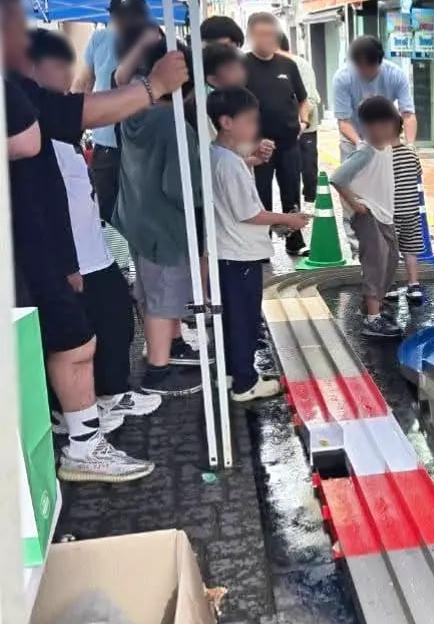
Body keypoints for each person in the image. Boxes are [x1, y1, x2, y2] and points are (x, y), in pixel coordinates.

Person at [3, 0, 186, 482]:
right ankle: (78, 443)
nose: (23, 39)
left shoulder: (21, 89)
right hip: (24, 248)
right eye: (14, 27)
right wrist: (151, 88)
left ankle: (82, 439)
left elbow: (62, 118)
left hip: (46, 244)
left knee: (75, 338)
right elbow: (57, 124)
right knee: (72, 340)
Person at [29, 29, 163, 423]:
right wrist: (66, 263)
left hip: (91, 249)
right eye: (59, 68)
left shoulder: (58, 124)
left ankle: (109, 394)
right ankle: (80, 416)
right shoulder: (34, 129)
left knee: (113, 319)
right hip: (69, 258)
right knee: (81, 338)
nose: (68, 78)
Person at [113, 36, 204, 396]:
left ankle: (172, 346)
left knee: (153, 292)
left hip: (137, 220)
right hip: (166, 228)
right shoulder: (174, 124)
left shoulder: (131, 114)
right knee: (163, 300)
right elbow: (182, 187)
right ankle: (158, 371)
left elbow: (120, 80)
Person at [208, 87, 310, 400]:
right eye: (250, 121)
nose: (256, 128)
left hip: (227, 253)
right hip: (240, 254)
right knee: (244, 320)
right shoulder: (229, 164)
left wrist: (251, 160)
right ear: (227, 122)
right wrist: (288, 219)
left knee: (232, 318)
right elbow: (249, 213)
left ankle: (230, 373)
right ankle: (245, 382)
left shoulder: (218, 154)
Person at [72, 0, 150, 223]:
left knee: (132, 214)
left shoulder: (152, 40)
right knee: (111, 213)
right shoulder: (100, 38)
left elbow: (82, 86)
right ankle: (117, 248)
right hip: (112, 144)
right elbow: (82, 85)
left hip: (138, 144)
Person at [332, 35, 416, 248]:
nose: (365, 72)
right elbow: (343, 121)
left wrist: (409, 146)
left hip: (386, 144)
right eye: (360, 68)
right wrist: (362, 145)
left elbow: (408, 114)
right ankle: (357, 246)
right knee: (354, 193)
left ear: (380, 61)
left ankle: (386, 243)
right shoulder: (343, 78)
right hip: (355, 143)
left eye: (370, 68)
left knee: (385, 192)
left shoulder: (395, 75)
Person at [329, 96, 402, 339]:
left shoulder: (386, 147)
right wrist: (356, 206)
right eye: (385, 125)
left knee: (391, 260)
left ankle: (374, 306)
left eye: (392, 125)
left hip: (384, 215)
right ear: (370, 127)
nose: (390, 130)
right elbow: (338, 178)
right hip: (369, 216)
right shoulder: (365, 152)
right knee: (376, 262)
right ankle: (372, 319)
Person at [243, 12, 310, 256]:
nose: (268, 39)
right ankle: (262, 245)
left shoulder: (288, 65)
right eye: (262, 34)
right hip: (257, 147)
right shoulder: (242, 66)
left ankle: (295, 241)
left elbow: (303, 100)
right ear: (251, 36)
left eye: (272, 34)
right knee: (260, 195)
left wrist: (303, 122)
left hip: (289, 143)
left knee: (291, 193)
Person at [278, 32, 321, 204]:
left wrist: (301, 123)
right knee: (289, 170)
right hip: (285, 128)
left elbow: (309, 99)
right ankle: (293, 206)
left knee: (308, 167)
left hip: (306, 126)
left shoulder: (300, 64)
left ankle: (312, 200)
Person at [390, 131, 427, 304]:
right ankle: (414, 284)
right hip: (411, 210)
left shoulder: (383, 156)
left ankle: (390, 285)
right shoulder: (411, 153)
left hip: (391, 212)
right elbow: (419, 173)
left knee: (389, 251)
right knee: (410, 250)